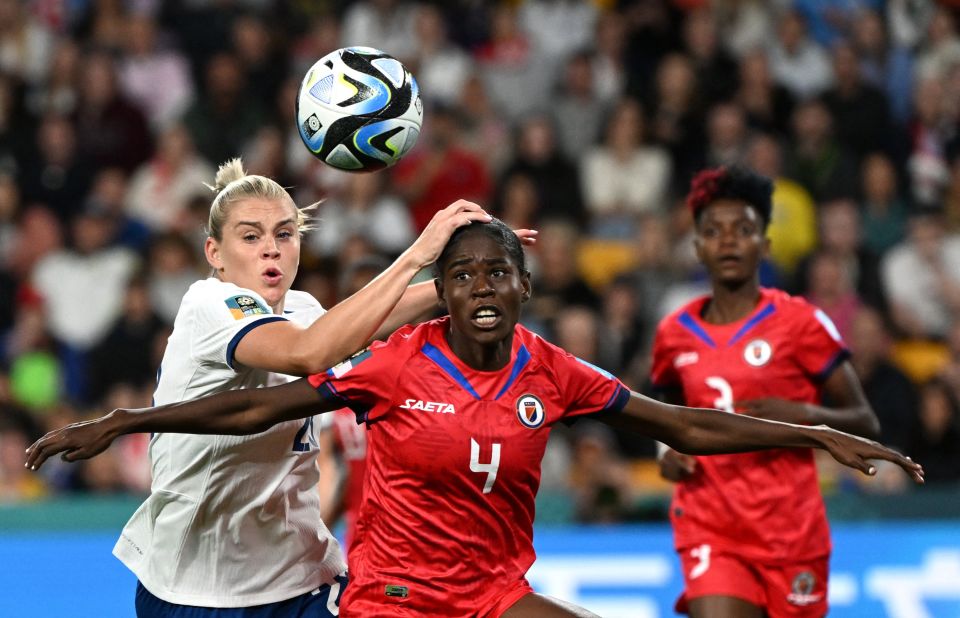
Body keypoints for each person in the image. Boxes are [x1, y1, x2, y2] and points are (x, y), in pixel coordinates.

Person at [26, 219, 923, 618]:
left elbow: (682, 425)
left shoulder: (553, 369)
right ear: (442, 294)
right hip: (393, 599)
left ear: (523, 287)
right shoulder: (393, 362)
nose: (482, 287)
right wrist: (128, 419)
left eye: (497, 273)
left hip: (491, 594)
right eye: (462, 276)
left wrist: (815, 433)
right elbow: (265, 401)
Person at [38, 156, 495, 618]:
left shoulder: (302, 308)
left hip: (300, 577)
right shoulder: (210, 304)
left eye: (284, 234)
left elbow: (363, 326)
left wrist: (465, 282)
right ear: (214, 253)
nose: (271, 249)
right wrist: (417, 257)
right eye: (251, 236)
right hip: (200, 589)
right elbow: (309, 352)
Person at [651, 166, 885, 618]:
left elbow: (865, 421)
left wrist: (802, 413)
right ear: (697, 248)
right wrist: (666, 453)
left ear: (766, 245)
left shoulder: (802, 323)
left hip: (790, 529)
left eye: (743, 230)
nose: (728, 241)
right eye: (713, 231)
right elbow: (663, 410)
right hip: (710, 522)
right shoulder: (673, 333)